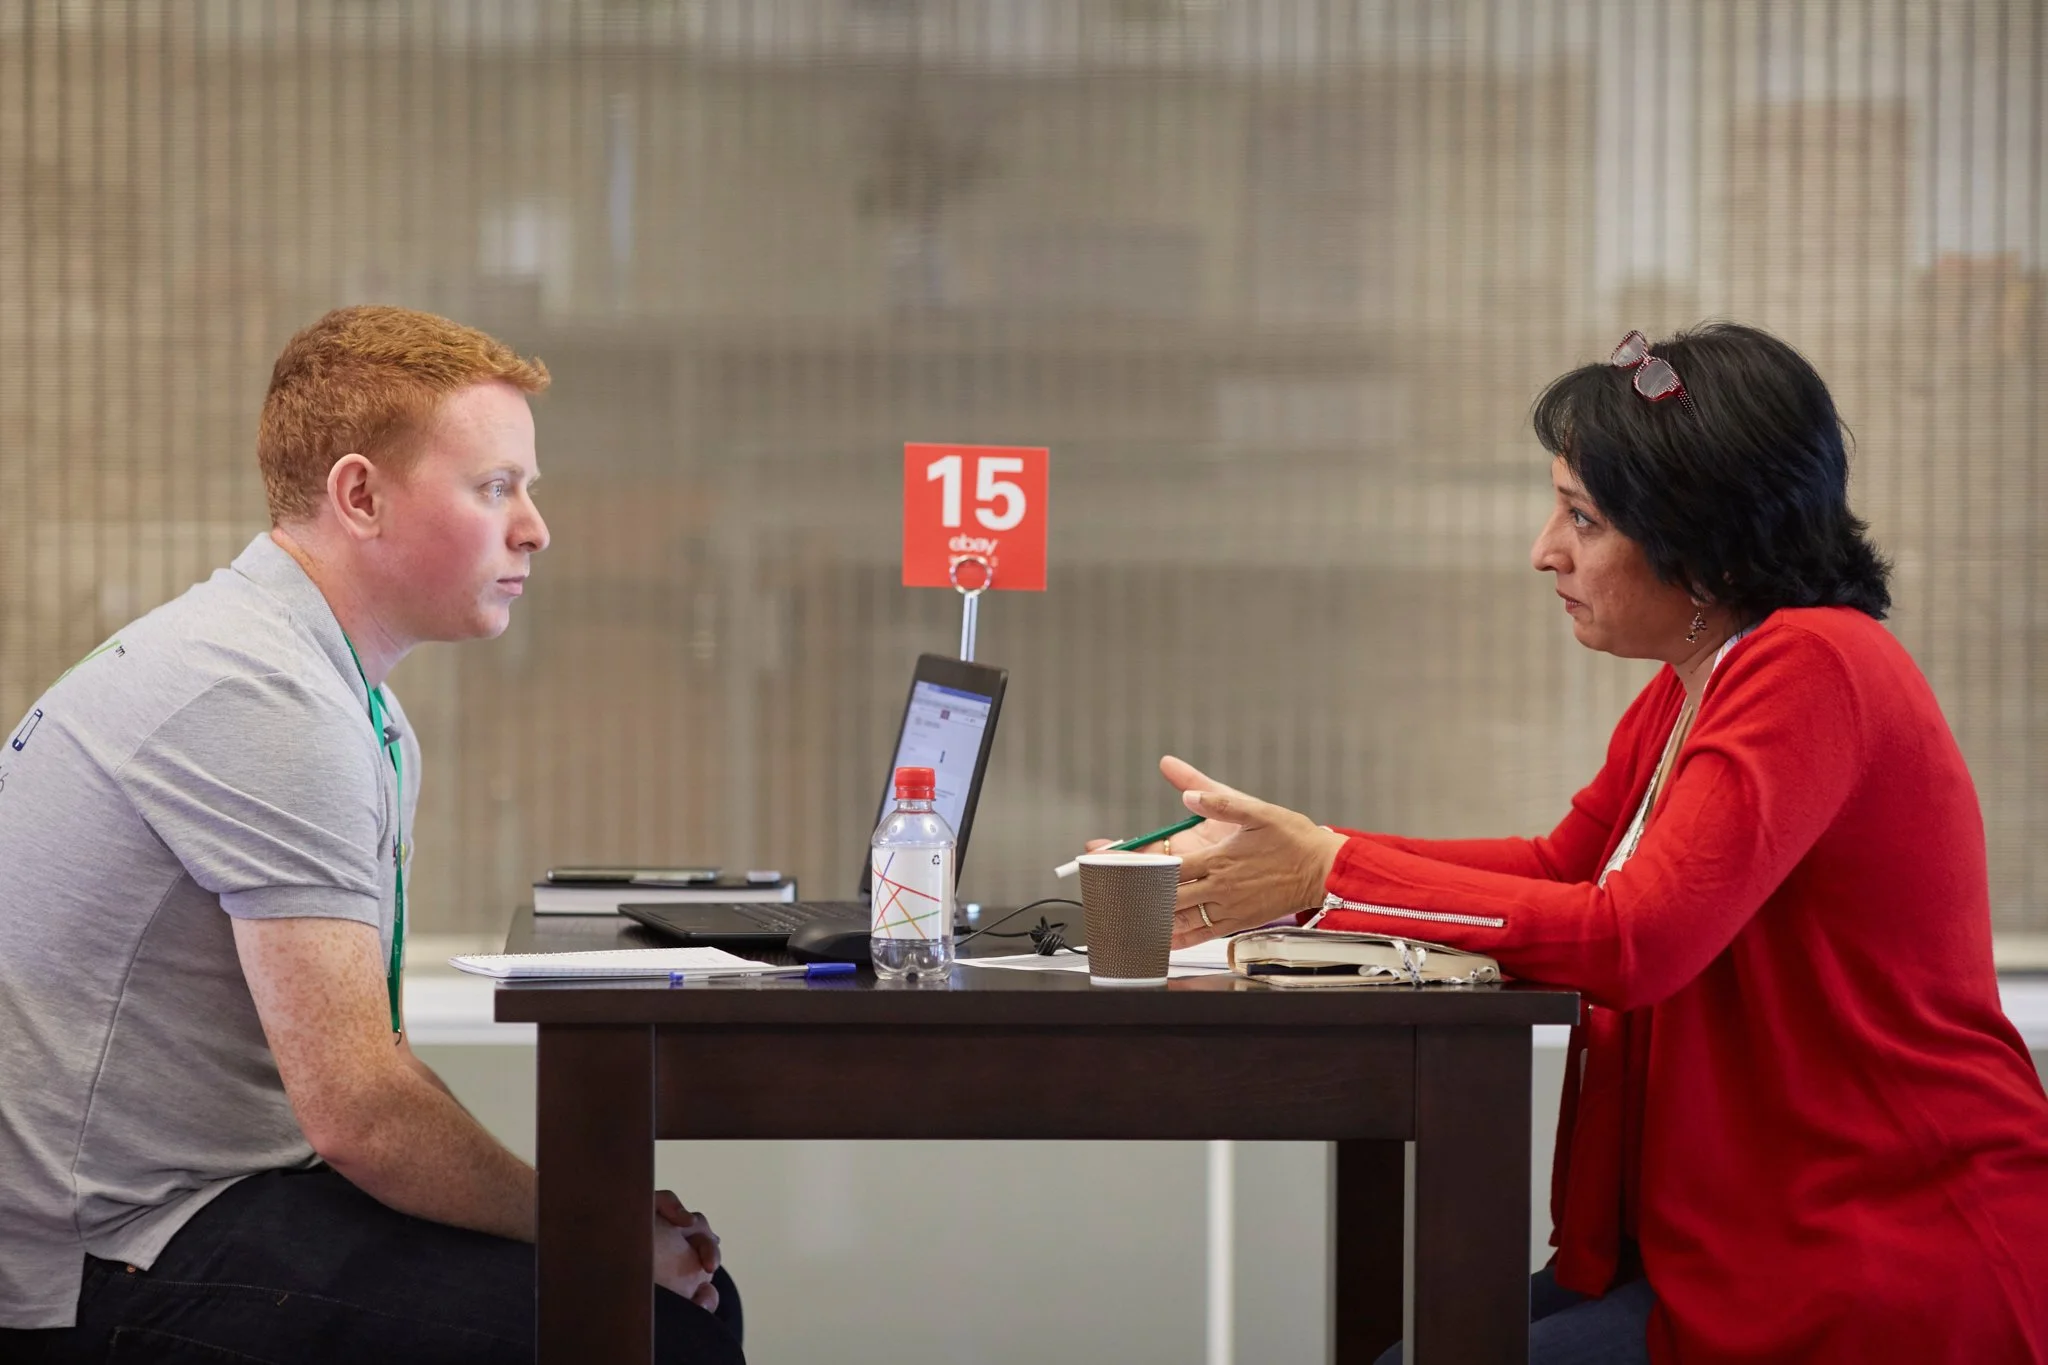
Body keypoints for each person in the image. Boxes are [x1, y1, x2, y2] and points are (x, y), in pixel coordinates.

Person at [1130, 324, 2048, 1363]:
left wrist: (1327, 870)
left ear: (1702, 539)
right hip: (1752, 1239)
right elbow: (1561, 868)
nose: (1544, 551)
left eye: (1583, 517)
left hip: (1881, 1251)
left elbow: (1633, 938)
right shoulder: (1697, 683)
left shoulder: (1813, 665)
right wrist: (1295, 856)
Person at [0, 306, 744, 1364]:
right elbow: (363, 1117)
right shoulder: (260, 700)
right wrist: (593, 1224)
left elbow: (373, 1074)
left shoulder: (333, 693)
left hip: (191, 1201)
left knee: (670, 1308)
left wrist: (592, 1221)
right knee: (661, 1329)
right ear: (359, 496)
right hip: (95, 1262)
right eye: (495, 487)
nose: (534, 528)